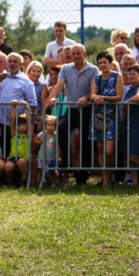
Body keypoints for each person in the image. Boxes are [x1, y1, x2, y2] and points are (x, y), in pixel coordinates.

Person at [46, 44, 98, 184]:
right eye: (73, 53)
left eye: (78, 53)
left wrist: (86, 98)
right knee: (62, 128)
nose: (75, 56)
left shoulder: (93, 69)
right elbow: (59, 85)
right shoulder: (65, 68)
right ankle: (66, 163)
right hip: (71, 108)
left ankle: (84, 172)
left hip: (87, 109)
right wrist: (53, 97)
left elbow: (94, 90)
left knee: (86, 140)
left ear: (84, 54)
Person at [88, 52, 123, 186]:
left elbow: (119, 97)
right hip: (98, 115)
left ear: (110, 63)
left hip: (112, 115)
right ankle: (105, 179)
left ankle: (112, 175)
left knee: (109, 151)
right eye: (100, 62)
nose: (102, 65)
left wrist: (105, 98)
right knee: (100, 147)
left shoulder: (117, 76)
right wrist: (94, 98)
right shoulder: (96, 78)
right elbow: (92, 94)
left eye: (104, 62)